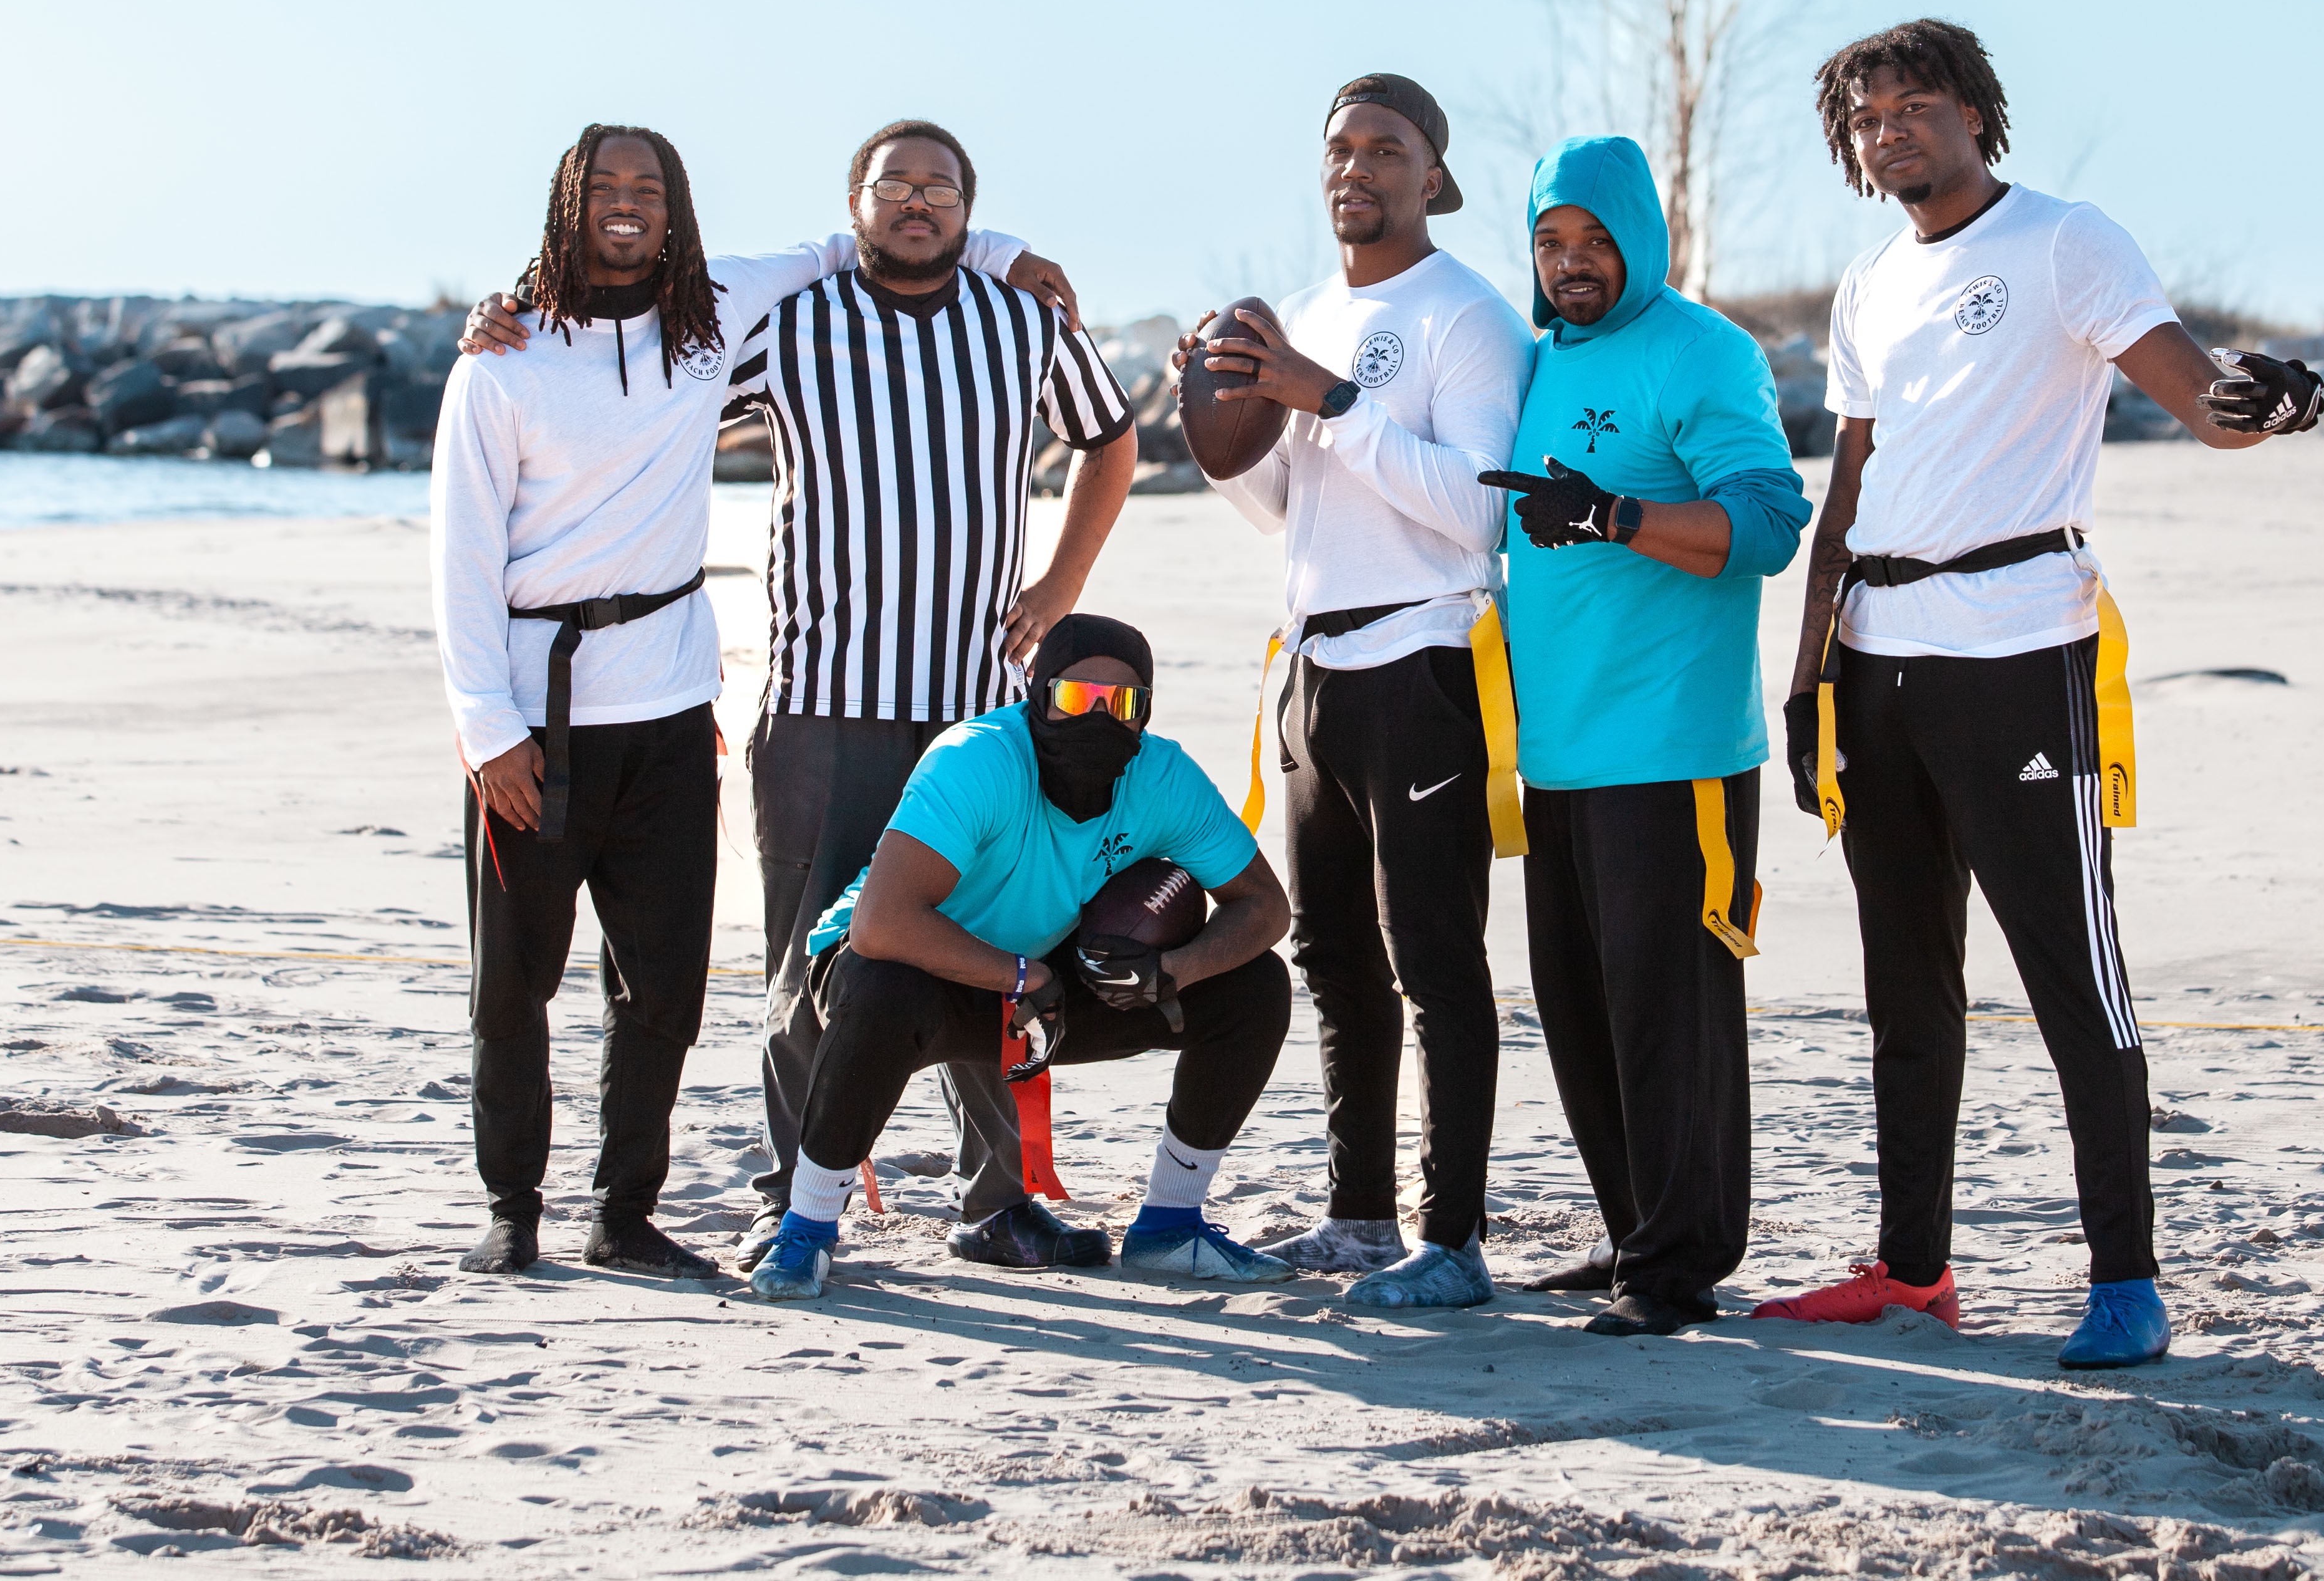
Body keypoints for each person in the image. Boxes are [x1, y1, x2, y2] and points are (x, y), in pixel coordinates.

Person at [463, 119, 1135, 1272]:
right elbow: (633, 407)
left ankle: (996, 1201)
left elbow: (1110, 441)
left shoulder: (1024, 322)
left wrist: (1060, 584)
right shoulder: (784, 328)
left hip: (980, 706)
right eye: (893, 185)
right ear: (854, 205)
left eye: (940, 188)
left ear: (971, 211)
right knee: (809, 962)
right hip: (823, 704)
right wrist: (520, 320)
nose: (916, 203)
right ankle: (797, 1198)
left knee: (993, 944)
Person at [1757, 20, 2324, 1368]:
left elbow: (2200, 397)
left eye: (1918, 103)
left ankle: (2125, 1280)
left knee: (2076, 977)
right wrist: (1808, 674)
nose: (1892, 127)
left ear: (1975, 112)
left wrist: (2271, 400)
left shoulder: (2066, 241)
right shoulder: (1866, 285)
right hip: (1878, 659)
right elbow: (1848, 491)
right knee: (1906, 984)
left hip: (2018, 646)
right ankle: (1911, 1272)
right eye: (1868, 114)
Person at [1177, 73, 1534, 1310]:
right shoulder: (1313, 312)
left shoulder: (1468, 316)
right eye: (1340, 147)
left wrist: (1329, 399)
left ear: (1432, 175)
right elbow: (1289, 504)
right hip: (1313, 667)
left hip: (1424, 660)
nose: (1357, 166)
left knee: (1435, 956)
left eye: (1386, 148)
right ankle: (1362, 1217)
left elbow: (1482, 507)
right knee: (1333, 955)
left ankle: (1458, 1236)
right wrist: (1218, 420)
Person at [1478, 137, 1811, 1338]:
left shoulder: (1702, 351)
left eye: (1596, 241)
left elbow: (1772, 523)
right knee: (1581, 1010)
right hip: (1557, 752)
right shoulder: (1536, 365)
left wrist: (1616, 514)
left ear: (1642, 239)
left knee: (1673, 1012)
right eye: (1551, 244)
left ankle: (1677, 1267)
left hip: (1675, 753)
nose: (1573, 265)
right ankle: (1632, 1234)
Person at [744, 614, 1299, 1299]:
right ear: (1036, 693)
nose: (1098, 718)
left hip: (1043, 984)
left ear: (1146, 712)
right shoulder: (977, 759)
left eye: (1121, 705)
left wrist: (1171, 970)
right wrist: (1020, 974)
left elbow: (1266, 908)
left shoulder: (1162, 774)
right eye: (1075, 699)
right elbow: (881, 925)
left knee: (1256, 985)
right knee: (884, 989)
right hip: (908, 971)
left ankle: (1170, 1224)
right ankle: (807, 1230)